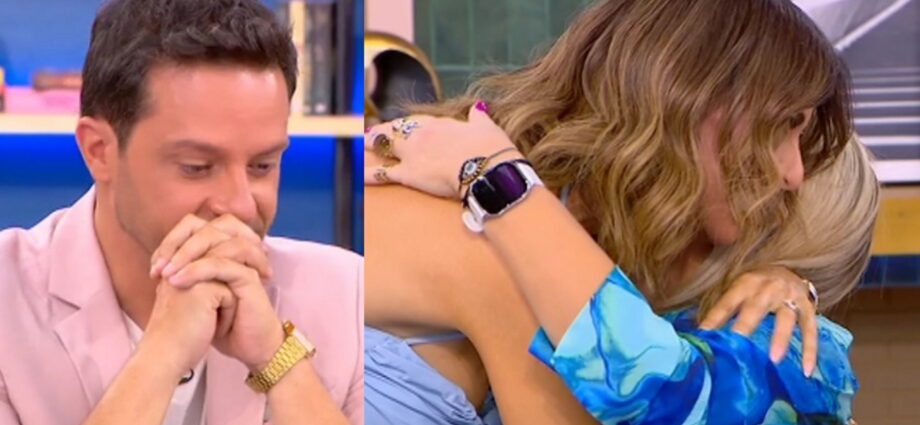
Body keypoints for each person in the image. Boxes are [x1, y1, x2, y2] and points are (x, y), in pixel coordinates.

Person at [363, 0, 873, 423]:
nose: (793, 173)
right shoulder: (487, 243)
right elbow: (660, 391)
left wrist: (784, 278)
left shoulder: (542, 236)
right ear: (690, 102)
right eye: (785, 125)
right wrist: (498, 180)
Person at [0, 0, 363, 424]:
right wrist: (161, 355)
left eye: (262, 165)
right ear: (99, 151)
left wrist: (277, 358)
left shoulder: (347, 294)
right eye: (197, 167)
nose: (241, 205)